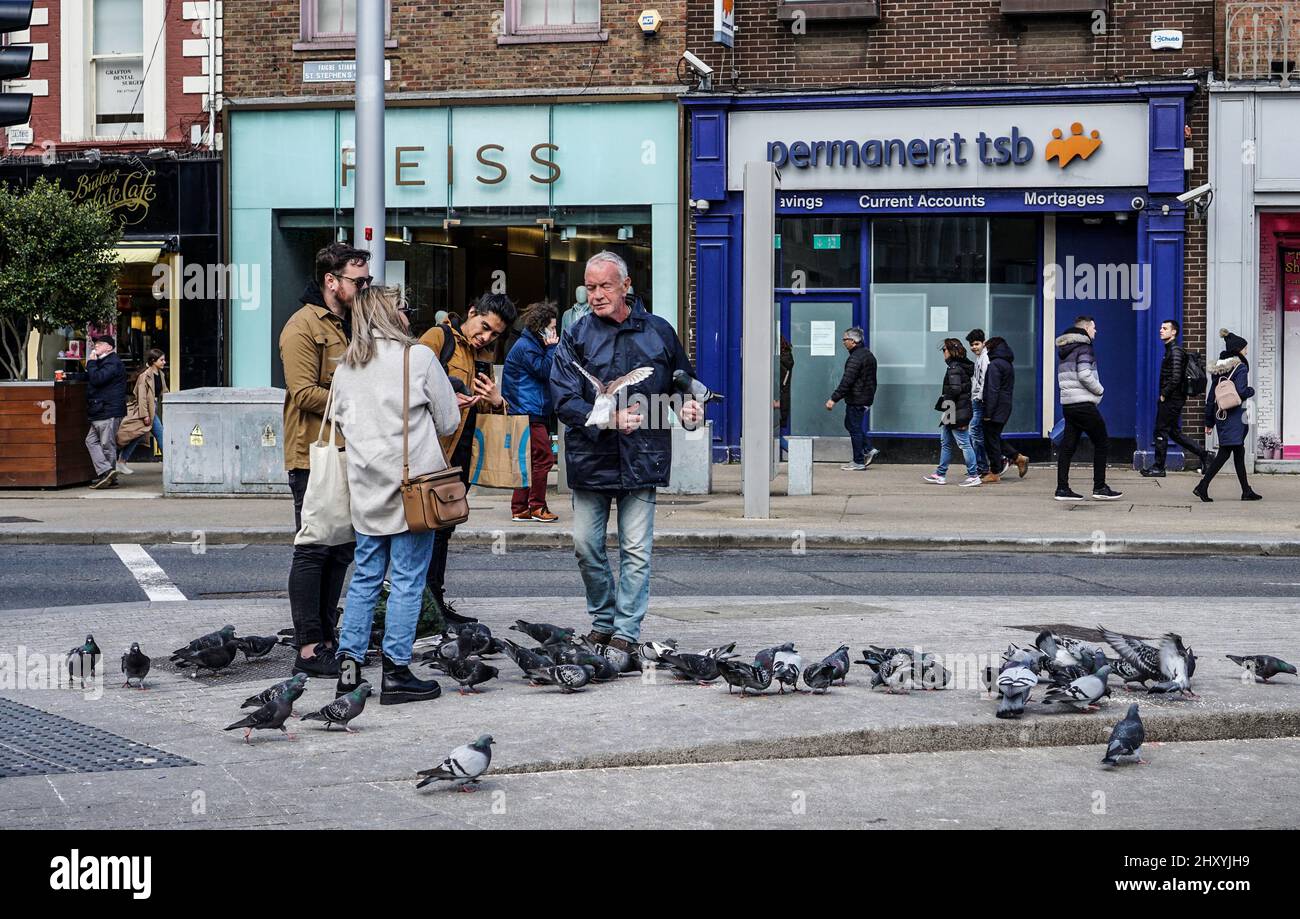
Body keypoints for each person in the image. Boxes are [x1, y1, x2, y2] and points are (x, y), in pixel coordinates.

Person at [550, 251, 703, 665]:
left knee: (636, 550)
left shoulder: (659, 332)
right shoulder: (576, 335)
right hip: (591, 456)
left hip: (643, 455)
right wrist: (608, 417)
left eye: (605, 286)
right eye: (590, 286)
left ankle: (625, 633)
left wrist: (689, 410)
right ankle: (603, 618)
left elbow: (681, 384)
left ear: (626, 286)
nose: (596, 294)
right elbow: (562, 398)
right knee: (585, 545)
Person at [331, 287, 461, 704]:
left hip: (366, 491)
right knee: (406, 579)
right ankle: (396, 672)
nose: (407, 315)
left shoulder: (345, 368)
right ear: (392, 314)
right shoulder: (417, 358)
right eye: (403, 308)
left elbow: (342, 425)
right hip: (413, 494)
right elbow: (448, 420)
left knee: (365, 578)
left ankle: (348, 671)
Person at [279, 243, 371, 678]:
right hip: (313, 456)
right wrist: (360, 403)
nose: (364, 287)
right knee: (314, 549)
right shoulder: (302, 326)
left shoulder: (353, 323)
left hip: (347, 451)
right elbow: (303, 392)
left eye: (366, 280)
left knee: (340, 551)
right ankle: (309, 647)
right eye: (359, 280)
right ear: (331, 281)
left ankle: (328, 637)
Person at [418, 293, 517, 625]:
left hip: (463, 453)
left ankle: (435, 604)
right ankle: (423, 608)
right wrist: (447, 396)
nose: (486, 337)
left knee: (444, 529)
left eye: (494, 334)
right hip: (435, 451)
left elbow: (486, 407)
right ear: (472, 312)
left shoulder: (484, 355)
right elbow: (410, 384)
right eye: (485, 327)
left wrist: (495, 399)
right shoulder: (438, 337)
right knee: (426, 530)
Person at [503, 300, 560, 522]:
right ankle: (537, 506)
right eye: (552, 327)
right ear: (541, 327)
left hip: (529, 410)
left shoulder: (530, 344)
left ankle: (519, 508)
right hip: (527, 411)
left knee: (527, 461)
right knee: (544, 459)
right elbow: (545, 371)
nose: (555, 332)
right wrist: (552, 347)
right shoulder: (527, 347)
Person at [1055, 316, 1123, 502]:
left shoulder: (1065, 349)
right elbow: (1085, 375)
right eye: (1094, 327)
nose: (1096, 331)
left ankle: (1062, 488)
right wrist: (1100, 390)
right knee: (1102, 442)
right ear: (1085, 328)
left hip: (1069, 404)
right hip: (1084, 404)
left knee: (1068, 447)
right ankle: (1100, 487)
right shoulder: (1085, 347)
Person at [1195, 329, 1262, 502]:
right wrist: (1251, 390)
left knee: (1239, 452)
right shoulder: (1240, 367)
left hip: (1221, 416)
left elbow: (1211, 397)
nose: (1246, 351)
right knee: (1225, 453)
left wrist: (1209, 421)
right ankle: (1203, 485)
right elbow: (1241, 391)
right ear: (1238, 350)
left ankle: (1246, 491)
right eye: (1245, 348)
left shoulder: (1220, 369)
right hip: (1234, 417)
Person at [1141, 318, 1209, 478]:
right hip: (1174, 398)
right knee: (1174, 433)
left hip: (1172, 399)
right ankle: (1205, 455)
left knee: (1161, 430)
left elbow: (1176, 377)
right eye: (1161, 327)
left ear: (1174, 332)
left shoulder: (1176, 351)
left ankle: (1159, 467)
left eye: (1165, 328)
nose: (1161, 330)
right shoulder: (1171, 350)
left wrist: (1164, 394)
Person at [923, 338, 981, 487]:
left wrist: (945, 397)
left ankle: (974, 475)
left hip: (956, 410)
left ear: (950, 351)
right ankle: (940, 474)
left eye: (944, 350)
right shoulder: (961, 366)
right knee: (946, 443)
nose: (943, 353)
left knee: (964, 443)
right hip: (954, 409)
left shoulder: (954, 367)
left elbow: (955, 390)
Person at [824, 327, 879, 471]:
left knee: (853, 428)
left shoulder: (855, 358)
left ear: (853, 341)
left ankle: (859, 461)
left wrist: (833, 399)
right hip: (865, 397)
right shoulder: (867, 354)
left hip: (857, 399)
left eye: (845, 339)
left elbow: (847, 381)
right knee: (850, 424)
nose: (843, 342)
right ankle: (868, 448)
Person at [980, 336, 1030, 482]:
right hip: (1004, 406)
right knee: (994, 437)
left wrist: (988, 412)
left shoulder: (995, 364)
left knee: (991, 440)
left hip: (996, 407)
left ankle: (995, 472)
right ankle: (1017, 458)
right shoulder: (1007, 364)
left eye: (988, 348)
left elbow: (993, 390)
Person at [85, 335, 127, 490]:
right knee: (91, 441)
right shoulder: (103, 362)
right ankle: (107, 472)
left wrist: (90, 363)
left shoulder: (112, 362)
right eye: (95, 343)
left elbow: (97, 379)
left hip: (107, 409)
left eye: (100, 344)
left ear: (109, 347)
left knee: (106, 444)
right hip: (100, 409)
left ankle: (107, 475)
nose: (96, 346)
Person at [115, 349, 167, 473]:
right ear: (153, 361)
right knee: (161, 435)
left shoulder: (161, 374)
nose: (164, 362)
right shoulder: (144, 376)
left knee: (137, 436)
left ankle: (121, 461)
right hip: (147, 411)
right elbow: (141, 398)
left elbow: (164, 392)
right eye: (161, 360)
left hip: (153, 408)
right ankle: (172, 464)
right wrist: (145, 415)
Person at [966, 329, 990, 478]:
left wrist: (978, 398)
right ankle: (982, 464)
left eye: (976, 344)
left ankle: (982, 466)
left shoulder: (985, 358)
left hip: (980, 401)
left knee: (974, 431)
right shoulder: (979, 358)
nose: (974, 347)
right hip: (976, 400)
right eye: (972, 345)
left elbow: (984, 381)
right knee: (976, 432)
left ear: (983, 343)